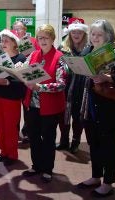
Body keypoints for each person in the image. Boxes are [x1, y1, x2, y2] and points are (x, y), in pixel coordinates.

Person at [77, 19, 115, 198]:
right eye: (93, 34)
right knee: (93, 143)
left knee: (107, 144)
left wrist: (108, 78)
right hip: (89, 104)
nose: (95, 38)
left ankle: (108, 183)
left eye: (99, 34)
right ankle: (96, 176)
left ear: (108, 35)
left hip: (107, 105)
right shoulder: (88, 50)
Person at [21, 24, 67, 183]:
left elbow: (61, 84)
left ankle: (47, 169)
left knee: (48, 139)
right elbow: (23, 69)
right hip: (32, 104)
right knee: (33, 137)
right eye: (40, 38)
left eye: (46, 38)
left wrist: (41, 87)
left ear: (53, 38)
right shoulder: (33, 55)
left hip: (50, 107)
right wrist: (19, 69)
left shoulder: (60, 57)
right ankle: (36, 165)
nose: (42, 41)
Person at [0, 29, 26, 166]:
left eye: (7, 41)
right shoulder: (1, 58)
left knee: (10, 126)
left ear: (14, 43)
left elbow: (22, 81)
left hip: (12, 97)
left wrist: (6, 82)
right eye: (2, 40)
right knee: (0, 125)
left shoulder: (21, 59)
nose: (3, 43)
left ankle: (12, 154)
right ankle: (3, 151)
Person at [56, 18, 88, 153]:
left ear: (84, 34)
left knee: (77, 116)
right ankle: (64, 140)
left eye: (79, 32)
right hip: (66, 86)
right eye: (73, 32)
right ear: (69, 33)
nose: (76, 35)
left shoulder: (88, 49)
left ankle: (75, 141)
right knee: (63, 115)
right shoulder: (62, 48)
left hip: (81, 87)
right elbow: (57, 66)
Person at [12, 20, 41, 144]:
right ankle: (14, 131)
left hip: (27, 77)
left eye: (19, 29)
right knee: (14, 107)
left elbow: (39, 56)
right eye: (15, 29)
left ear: (25, 30)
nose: (17, 31)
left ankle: (27, 131)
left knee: (26, 107)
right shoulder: (11, 41)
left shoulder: (33, 41)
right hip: (14, 78)